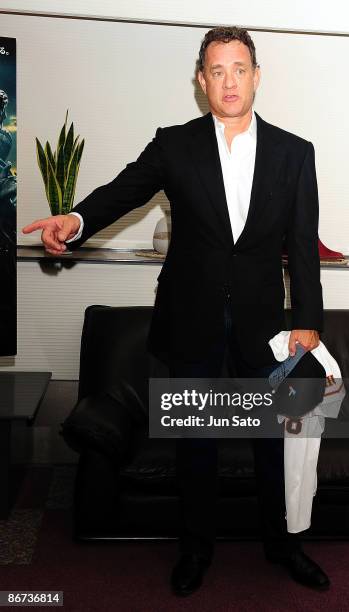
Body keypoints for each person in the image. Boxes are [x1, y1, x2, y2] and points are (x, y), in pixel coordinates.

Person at [22, 26, 329, 595]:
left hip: (266, 331)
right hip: (193, 324)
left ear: (257, 76)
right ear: (201, 81)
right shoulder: (174, 144)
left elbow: (304, 246)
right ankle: (196, 549)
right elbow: (123, 191)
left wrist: (307, 324)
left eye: (240, 69)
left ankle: (284, 545)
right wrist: (76, 219)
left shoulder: (295, 153)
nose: (229, 81)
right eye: (217, 70)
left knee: (274, 444)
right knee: (197, 444)